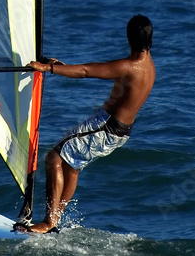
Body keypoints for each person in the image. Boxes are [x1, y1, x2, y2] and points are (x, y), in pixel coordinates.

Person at [16, 14, 155, 234]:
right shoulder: (148, 66)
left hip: (106, 127)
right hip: (119, 130)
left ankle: (49, 222)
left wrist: (47, 69)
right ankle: (55, 220)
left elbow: (86, 71)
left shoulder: (130, 66)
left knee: (54, 158)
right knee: (72, 166)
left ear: (128, 38)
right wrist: (60, 66)